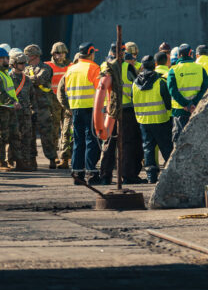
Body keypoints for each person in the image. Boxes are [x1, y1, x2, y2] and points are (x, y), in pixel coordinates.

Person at [58, 43, 102, 184]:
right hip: (90, 109)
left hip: (75, 109)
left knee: (78, 141)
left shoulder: (70, 69)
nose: (94, 54)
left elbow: (65, 90)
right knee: (91, 141)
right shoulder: (94, 68)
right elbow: (100, 90)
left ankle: (77, 173)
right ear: (90, 53)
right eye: (93, 52)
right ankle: (91, 173)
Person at [100, 43, 143, 185]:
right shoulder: (127, 67)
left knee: (109, 142)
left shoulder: (104, 67)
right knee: (128, 143)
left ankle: (105, 176)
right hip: (127, 110)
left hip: (110, 110)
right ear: (123, 53)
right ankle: (128, 175)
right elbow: (137, 87)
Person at [132, 55, 173, 184]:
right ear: (154, 65)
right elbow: (168, 103)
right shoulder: (160, 82)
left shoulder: (135, 83)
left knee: (148, 149)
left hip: (143, 121)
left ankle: (151, 177)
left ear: (142, 66)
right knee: (166, 148)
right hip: (160, 119)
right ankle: (171, 174)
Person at [24, 44, 61, 169]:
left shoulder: (45, 68)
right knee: (30, 135)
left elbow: (38, 79)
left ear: (34, 56)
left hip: (43, 107)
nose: (25, 58)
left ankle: (52, 158)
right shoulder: (25, 68)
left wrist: (25, 78)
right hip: (30, 106)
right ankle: (32, 159)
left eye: (27, 56)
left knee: (47, 134)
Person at [167, 44, 208, 141]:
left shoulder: (173, 70)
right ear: (191, 54)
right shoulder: (200, 68)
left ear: (178, 56)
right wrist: (193, 104)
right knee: (197, 139)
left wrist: (186, 104)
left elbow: (172, 90)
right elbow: (206, 88)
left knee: (179, 140)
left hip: (180, 111)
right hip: (197, 108)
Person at [46, 42, 73, 169]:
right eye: (57, 52)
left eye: (62, 52)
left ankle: (65, 156)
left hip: (67, 101)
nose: (60, 55)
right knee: (54, 130)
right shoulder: (48, 66)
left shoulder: (72, 66)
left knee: (67, 131)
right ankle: (54, 156)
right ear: (53, 53)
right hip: (53, 102)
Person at [8, 51, 35, 171]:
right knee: (13, 137)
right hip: (13, 113)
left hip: (25, 113)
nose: (24, 65)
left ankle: (24, 161)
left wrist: (34, 111)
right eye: (21, 63)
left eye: (25, 63)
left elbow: (32, 97)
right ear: (13, 64)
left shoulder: (27, 80)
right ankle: (11, 161)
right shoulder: (8, 78)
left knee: (26, 137)